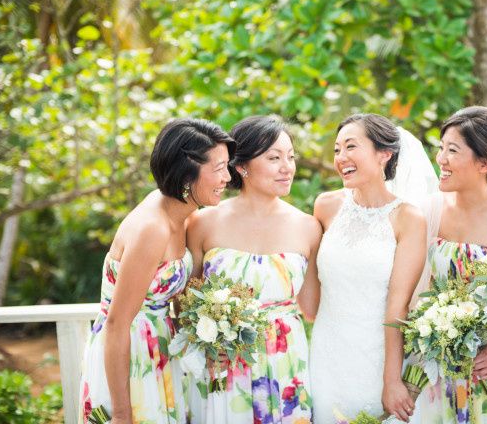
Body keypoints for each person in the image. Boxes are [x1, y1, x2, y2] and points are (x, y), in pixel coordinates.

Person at [78, 118, 234, 424]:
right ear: (186, 173)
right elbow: (116, 324)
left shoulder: (183, 215)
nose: (227, 177)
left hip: (161, 350)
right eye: (218, 168)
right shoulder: (152, 228)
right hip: (130, 358)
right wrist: (123, 414)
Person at [186, 115, 321, 423]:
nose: (287, 167)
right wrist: (204, 337)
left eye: (290, 157)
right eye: (274, 158)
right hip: (223, 359)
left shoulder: (309, 227)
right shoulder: (203, 222)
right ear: (241, 166)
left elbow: (311, 307)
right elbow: (186, 298)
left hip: (286, 359)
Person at [413, 106, 487, 424]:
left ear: (485, 162)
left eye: (452, 150)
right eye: (441, 148)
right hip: (433, 359)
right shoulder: (429, 210)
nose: (441, 159)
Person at [303, 113, 427, 423]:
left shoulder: (408, 219)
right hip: (326, 353)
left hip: (376, 357)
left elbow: (398, 307)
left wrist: (391, 381)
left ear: (384, 154)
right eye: (336, 150)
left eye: (350, 147)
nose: (341, 157)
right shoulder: (325, 206)